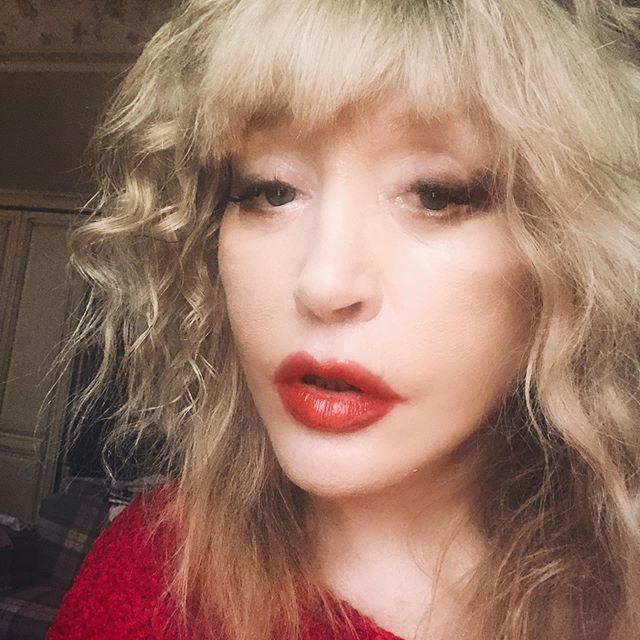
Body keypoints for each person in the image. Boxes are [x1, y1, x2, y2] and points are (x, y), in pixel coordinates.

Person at [45, 0, 640, 639]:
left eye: (435, 195)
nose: (322, 285)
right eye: (271, 190)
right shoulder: (151, 575)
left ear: (575, 254)